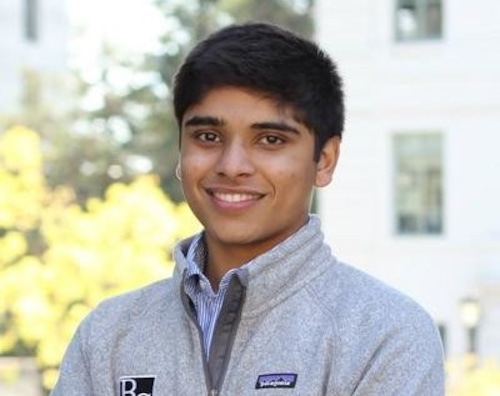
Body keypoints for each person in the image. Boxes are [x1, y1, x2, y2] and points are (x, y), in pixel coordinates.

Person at [51, 22, 445, 395]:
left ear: (324, 159)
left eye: (271, 140)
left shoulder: (384, 335)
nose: (232, 165)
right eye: (208, 136)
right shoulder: (108, 335)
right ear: (181, 150)